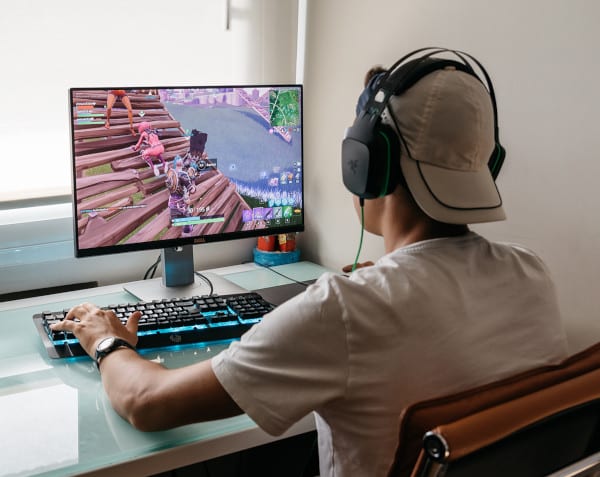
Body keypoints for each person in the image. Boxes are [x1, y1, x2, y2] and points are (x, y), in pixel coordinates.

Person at [51, 49, 568, 477]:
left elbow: (148, 402)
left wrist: (106, 340)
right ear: (488, 167)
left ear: (365, 164)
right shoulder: (531, 274)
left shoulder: (345, 310)